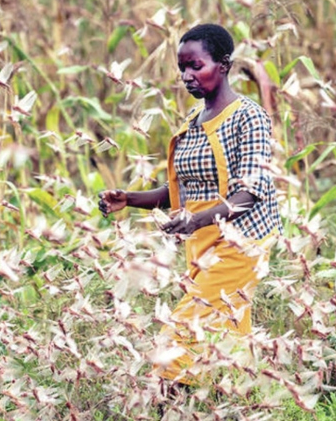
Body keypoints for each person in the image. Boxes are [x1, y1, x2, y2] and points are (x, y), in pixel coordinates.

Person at [98, 24, 282, 384]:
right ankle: (238, 403)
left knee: (178, 337)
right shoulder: (193, 122)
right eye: (182, 68)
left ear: (224, 65)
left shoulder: (249, 117)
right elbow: (183, 189)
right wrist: (129, 198)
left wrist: (196, 221)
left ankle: (166, 405)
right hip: (203, 247)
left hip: (241, 244)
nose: (186, 76)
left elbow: (250, 191)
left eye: (196, 66)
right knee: (225, 345)